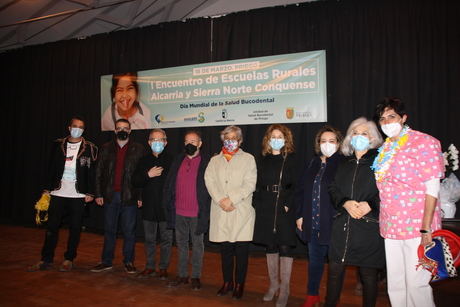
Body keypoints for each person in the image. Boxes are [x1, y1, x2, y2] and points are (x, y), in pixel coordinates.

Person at [372, 97, 444, 307]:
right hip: (391, 225)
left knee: (416, 284)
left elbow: (433, 190)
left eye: (391, 116)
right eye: (382, 119)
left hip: (417, 226)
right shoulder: (385, 148)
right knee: (395, 283)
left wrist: (425, 228)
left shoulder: (425, 142)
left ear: (403, 118)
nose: (386, 122)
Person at [325, 117, 385, 307]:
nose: (359, 137)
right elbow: (333, 188)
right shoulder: (342, 163)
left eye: (364, 133)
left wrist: (370, 204)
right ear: (350, 138)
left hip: (368, 227)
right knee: (334, 270)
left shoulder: (381, 161)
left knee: (368, 275)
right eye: (355, 133)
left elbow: (388, 190)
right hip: (343, 225)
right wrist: (345, 203)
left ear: (373, 138)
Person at [28, 117, 98, 272]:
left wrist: (91, 192)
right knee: (52, 227)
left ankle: (69, 259)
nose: (77, 129)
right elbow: (50, 167)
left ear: (84, 130)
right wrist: (47, 188)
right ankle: (46, 259)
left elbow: (93, 172)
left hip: (78, 195)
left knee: (75, 228)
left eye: (81, 127)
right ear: (69, 127)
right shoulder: (57, 144)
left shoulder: (91, 148)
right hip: (57, 192)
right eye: (75, 126)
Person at [204, 125, 257, 300]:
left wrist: (231, 199)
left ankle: (240, 284)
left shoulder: (249, 159)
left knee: (241, 251)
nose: (230, 141)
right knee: (225, 250)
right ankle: (227, 282)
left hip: (240, 211)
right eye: (227, 138)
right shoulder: (214, 160)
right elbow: (209, 181)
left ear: (240, 140)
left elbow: (250, 184)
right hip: (221, 211)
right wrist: (221, 200)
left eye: (234, 138)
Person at [295, 125, 344, 307]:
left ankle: (332, 300)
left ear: (338, 144)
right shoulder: (312, 163)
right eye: (323, 141)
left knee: (336, 268)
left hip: (334, 225)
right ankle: (312, 295)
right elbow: (300, 191)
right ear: (318, 144)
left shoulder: (343, 164)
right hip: (312, 223)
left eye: (331, 141)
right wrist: (300, 215)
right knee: (314, 263)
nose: (327, 144)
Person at [91, 118, 146, 274]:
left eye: (125, 128)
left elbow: (141, 175)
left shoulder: (138, 148)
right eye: (119, 128)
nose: (122, 130)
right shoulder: (106, 148)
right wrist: (98, 193)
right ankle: (106, 261)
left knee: (129, 231)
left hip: (130, 196)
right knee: (109, 230)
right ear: (115, 130)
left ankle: (128, 261)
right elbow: (99, 172)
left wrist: (140, 196)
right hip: (110, 195)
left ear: (130, 130)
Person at [253, 124, 297, 307]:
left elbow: (297, 185)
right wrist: (257, 203)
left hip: (284, 206)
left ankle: (285, 289)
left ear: (285, 139)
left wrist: (288, 204)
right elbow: (256, 183)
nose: (276, 139)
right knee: (270, 245)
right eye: (273, 136)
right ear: (268, 140)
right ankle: (273, 284)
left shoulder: (291, 159)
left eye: (280, 136)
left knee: (285, 246)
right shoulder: (262, 159)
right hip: (265, 206)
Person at [163, 130, 211, 290]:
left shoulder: (207, 161)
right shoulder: (178, 160)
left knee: (198, 245)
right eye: (187, 141)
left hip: (197, 212)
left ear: (200, 143)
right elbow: (169, 183)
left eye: (193, 141)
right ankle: (182, 275)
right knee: (181, 244)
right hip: (179, 211)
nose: (190, 144)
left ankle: (196, 276)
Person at [133, 128, 173, 280]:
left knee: (166, 239)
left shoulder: (171, 160)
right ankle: (150, 266)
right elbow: (135, 181)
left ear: (165, 142)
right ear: (149, 142)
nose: (157, 143)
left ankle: (163, 268)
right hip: (148, 206)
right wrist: (147, 175)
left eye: (160, 140)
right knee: (149, 239)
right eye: (154, 140)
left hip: (165, 208)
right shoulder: (143, 160)